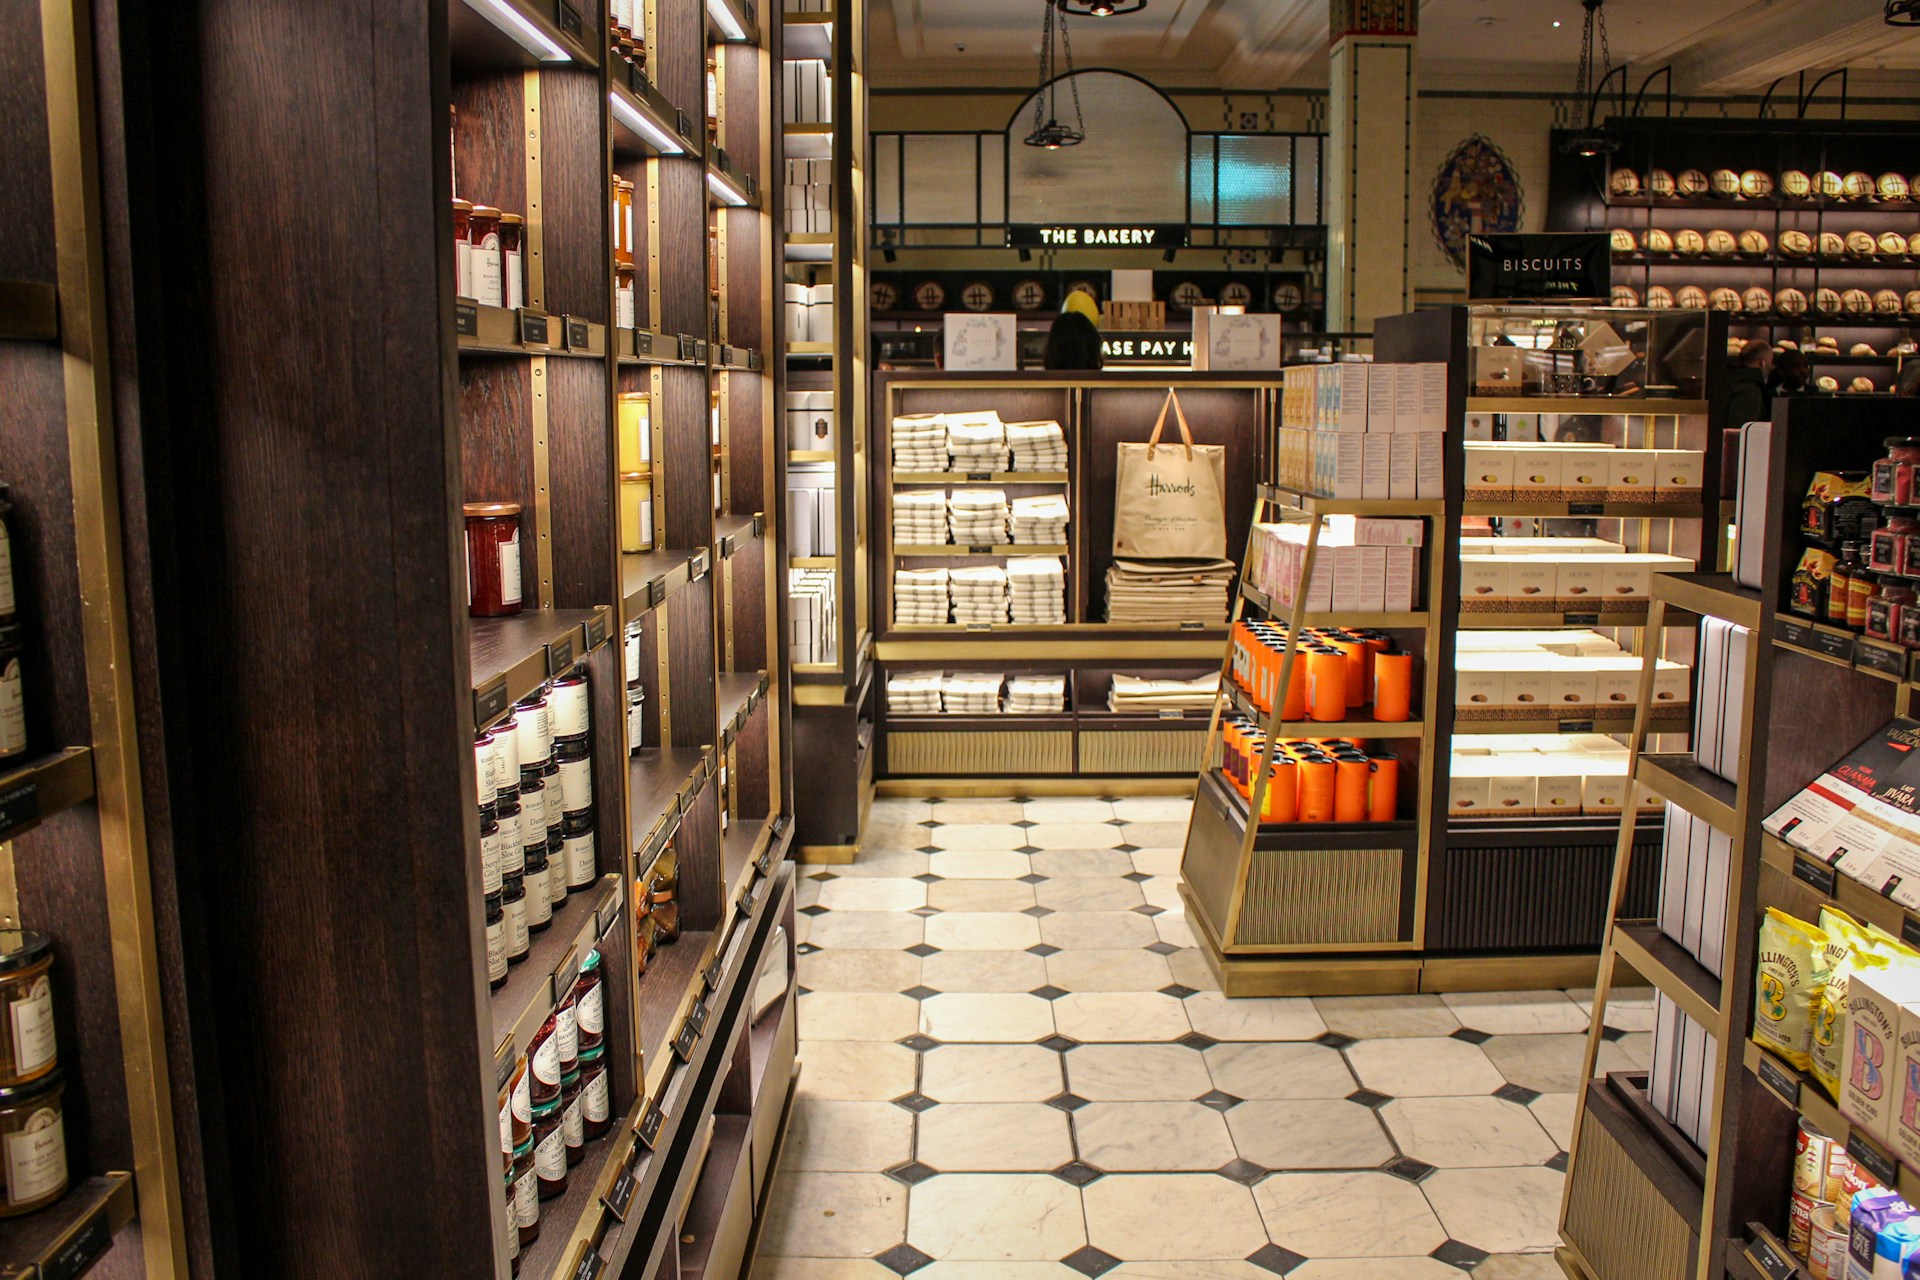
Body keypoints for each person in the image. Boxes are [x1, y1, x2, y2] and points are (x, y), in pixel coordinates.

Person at [1724, 341, 1771, 427]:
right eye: (1770, 362)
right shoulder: (1750, 390)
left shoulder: (1727, 380)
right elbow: (1740, 429)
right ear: (1762, 362)